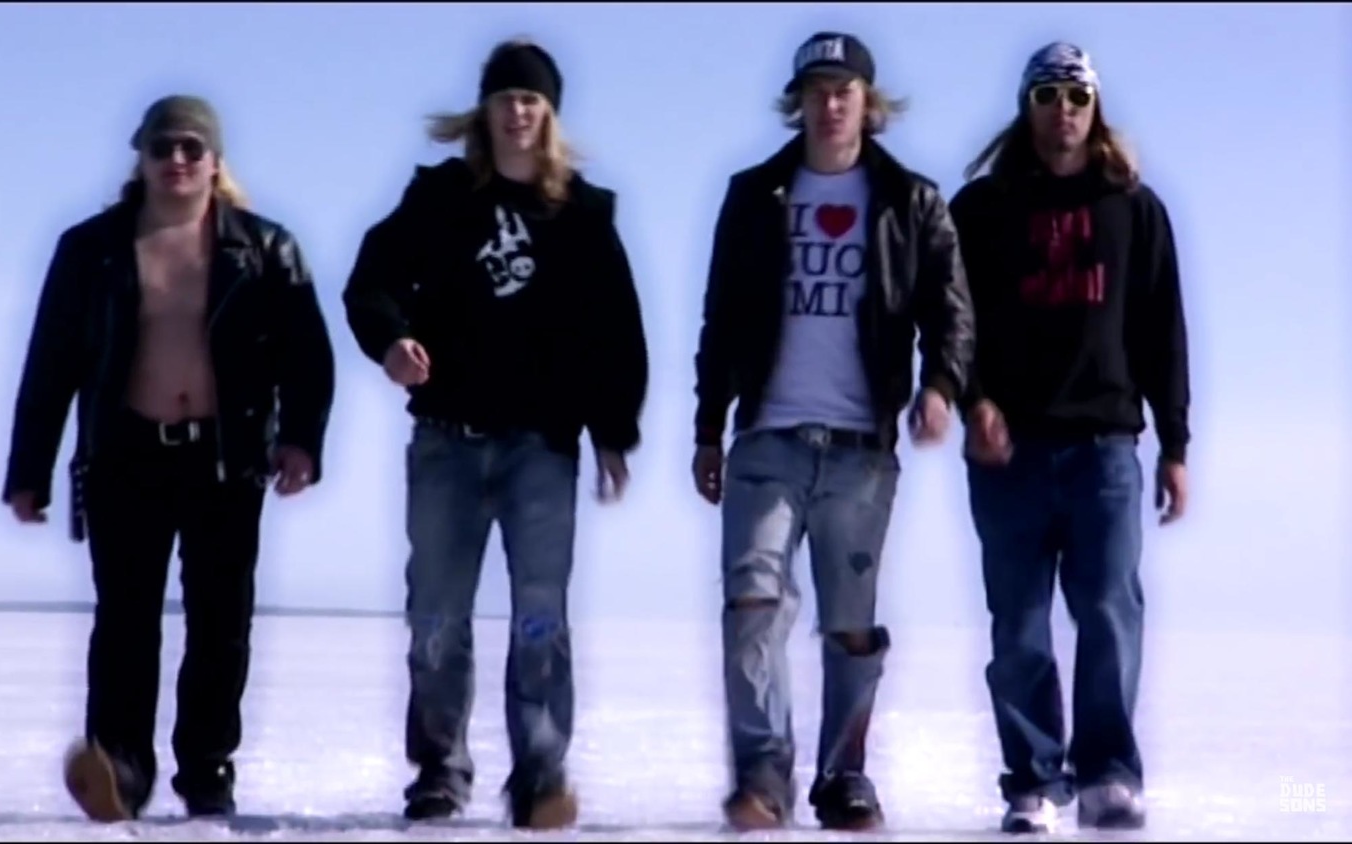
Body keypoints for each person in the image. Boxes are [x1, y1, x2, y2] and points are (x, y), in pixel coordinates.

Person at [0, 94, 337, 822]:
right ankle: (120, 768)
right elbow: (51, 364)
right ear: (141, 158)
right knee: (125, 620)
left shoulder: (264, 248)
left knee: (221, 622)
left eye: (191, 147)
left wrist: (301, 440)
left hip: (225, 459)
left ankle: (206, 770)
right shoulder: (91, 249)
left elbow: (307, 354)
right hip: (125, 454)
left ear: (215, 161)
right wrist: (28, 471)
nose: (176, 160)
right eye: (162, 148)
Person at [341, 37, 649, 831]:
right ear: (484, 110)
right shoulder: (439, 199)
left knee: (540, 616)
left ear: (549, 115)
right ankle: (439, 771)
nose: (517, 112)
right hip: (446, 441)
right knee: (436, 615)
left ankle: (540, 775)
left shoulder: (582, 214)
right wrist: (390, 343)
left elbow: (616, 332)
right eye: (506, 98)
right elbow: (370, 281)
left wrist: (614, 433)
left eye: (531, 100)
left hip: (540, 448)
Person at [690, 30, 975, 832]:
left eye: (843, 90)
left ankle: (843, 775)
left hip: (859, 448)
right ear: (798, 103)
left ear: (868, 102)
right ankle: (763, 776)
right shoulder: (755, 196)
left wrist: (941, 388)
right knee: (752, 600)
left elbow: (951, 312)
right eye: (815, 91)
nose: (830, 104)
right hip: (767, 438)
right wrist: (708, 428)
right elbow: (721, 319)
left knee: (850, 624)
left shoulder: (911, 200)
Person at [948, 41, 1190, 833]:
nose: (1063, 111)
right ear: (1027, 106)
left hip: (1105, 450)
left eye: (1077, 96)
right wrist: (973, 401)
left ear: (1096, 107)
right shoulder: (981, 211)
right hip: (1009, 454)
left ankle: (1108, 774)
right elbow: (951, 323)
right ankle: (1034, 782)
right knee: (1019, 626)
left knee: (1110, 611)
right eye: (1048, 96)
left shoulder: (1133, 209)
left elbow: (1162, 333)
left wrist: (1176, 446)